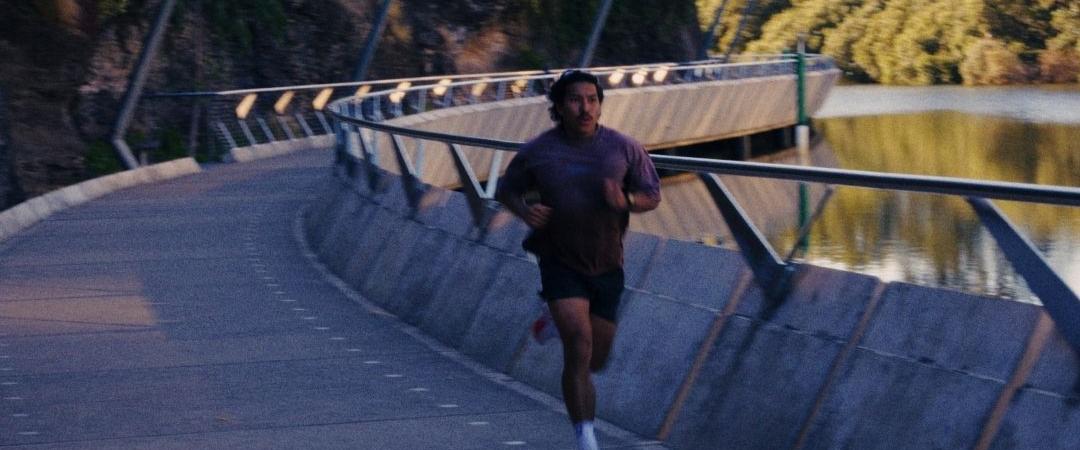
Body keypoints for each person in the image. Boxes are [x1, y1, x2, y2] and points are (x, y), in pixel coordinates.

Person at [496, 70, 661, 450]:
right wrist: (525, 211)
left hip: (606, 264)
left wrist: (628, 203)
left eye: (592, 99)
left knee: (597, 359)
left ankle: (551, 322)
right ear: (558, 107)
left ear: (600, 104)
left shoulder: (623, 148)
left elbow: (652, 193)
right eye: (575, 100)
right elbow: (507, 189)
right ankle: (585, 436)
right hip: (559, 260)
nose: (585, 108)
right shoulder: (538, 151)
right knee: (579, 342)